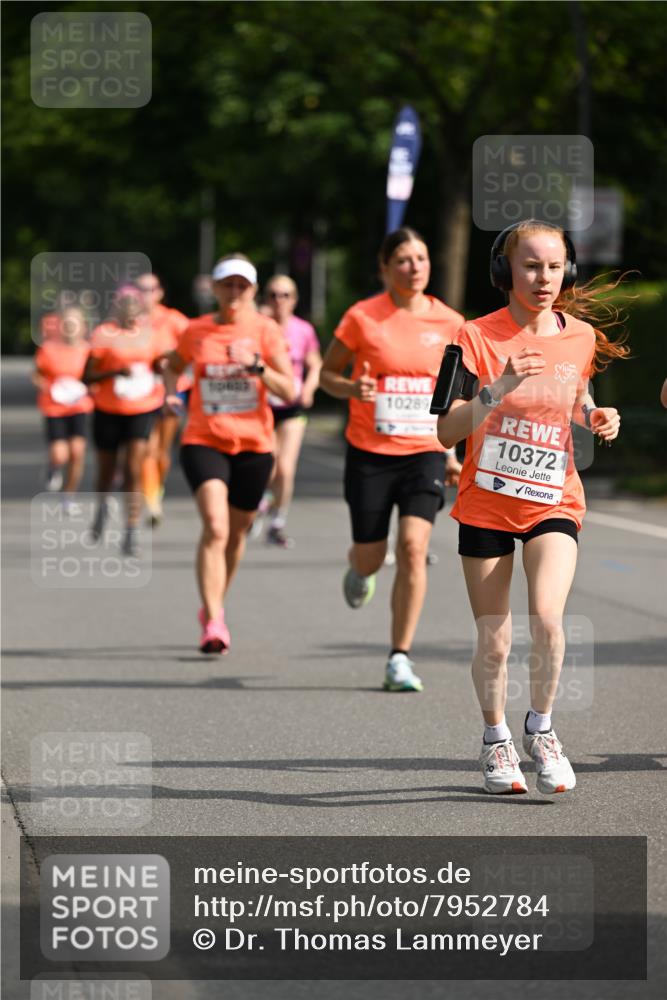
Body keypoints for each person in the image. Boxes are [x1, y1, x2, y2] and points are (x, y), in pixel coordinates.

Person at [436, 219, 627, 795]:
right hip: (486, 504)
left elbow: (577, 396)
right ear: (505, 271)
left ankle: (540, 730)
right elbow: (447, 431)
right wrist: (498, 386)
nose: (544, 278)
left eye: (553, 266)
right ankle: (495, 741)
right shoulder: (472, 337)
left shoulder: (581, 337)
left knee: (548, 620)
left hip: (552, 496)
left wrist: (595, 416)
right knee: (495, 637)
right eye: (530, 266)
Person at [319, 227, 464, 692]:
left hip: (424, 452)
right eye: (402, 259)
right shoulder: (363, 317)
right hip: (370, 452)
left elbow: (456, 396)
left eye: (420, 258)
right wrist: (349, 388)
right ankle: (359, 569)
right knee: (371, 556)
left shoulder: (451, 322)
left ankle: (399, 657)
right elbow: (327, 375)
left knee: (413, 548)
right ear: (385, 268)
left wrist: (453, 450)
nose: (414, 267)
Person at [163, 254, 294, 654]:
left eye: (242, 286)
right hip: (205, 438)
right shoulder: (196, 330)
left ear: (253, 291)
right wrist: (171, 391)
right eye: (227, 285)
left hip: (255, 445)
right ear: (215, 289)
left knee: (236, 534)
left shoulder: (266, 331)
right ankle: (215, 617)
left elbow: (289, 389)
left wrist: (255, 366)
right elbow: (172, 365)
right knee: (216, 527)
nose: (234, 292)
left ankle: (214, 601)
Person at [83, 285, 165, 556]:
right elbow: (87, 376)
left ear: (141, 308)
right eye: (124, 304)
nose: (130, 310)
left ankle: (131, 530)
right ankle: (101, 509)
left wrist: (160, 369)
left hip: (142, 408)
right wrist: (115, 372)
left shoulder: (150, 334)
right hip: (108, 409)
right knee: (106, 471)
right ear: (117, 307)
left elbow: (158, 365)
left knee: (134, 468)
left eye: (134, 305)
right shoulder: (103, 334)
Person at [253, 274, 322, 548]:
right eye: (273, 295)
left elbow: (315, 364)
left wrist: (309, 389)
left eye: (285, 295)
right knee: (267, 464)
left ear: (294, 300)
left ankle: (277, 522)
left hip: (292, 404)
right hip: (263, 404)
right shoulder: (259, 327)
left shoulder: (302, 330)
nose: (278, 301)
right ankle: (263, 500)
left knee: (285, 468)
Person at [136, 272, 190, 526]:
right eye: (140, 289)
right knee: (148, 447)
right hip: (140, 394)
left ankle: (157, 485)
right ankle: (152, 501)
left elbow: (193, 348)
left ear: (160, 293)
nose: (145, 294)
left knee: (162, 450)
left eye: (150, 289)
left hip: (171, 391)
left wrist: (170, 360)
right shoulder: (130, 321)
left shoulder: (174, 320)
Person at [33, 305, 93, 508]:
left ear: (82, 327)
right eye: (66, 323)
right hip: (55, 406)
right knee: (60, 453)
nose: (69, 327)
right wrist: (46, 386)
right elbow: (37, 374)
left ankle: (69, 494)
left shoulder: (88, 351)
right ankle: (54, 466)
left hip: (79, 406)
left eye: (73, 323)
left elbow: (95, 377)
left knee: (77, 452)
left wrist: (92, 387)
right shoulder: (48, 349)